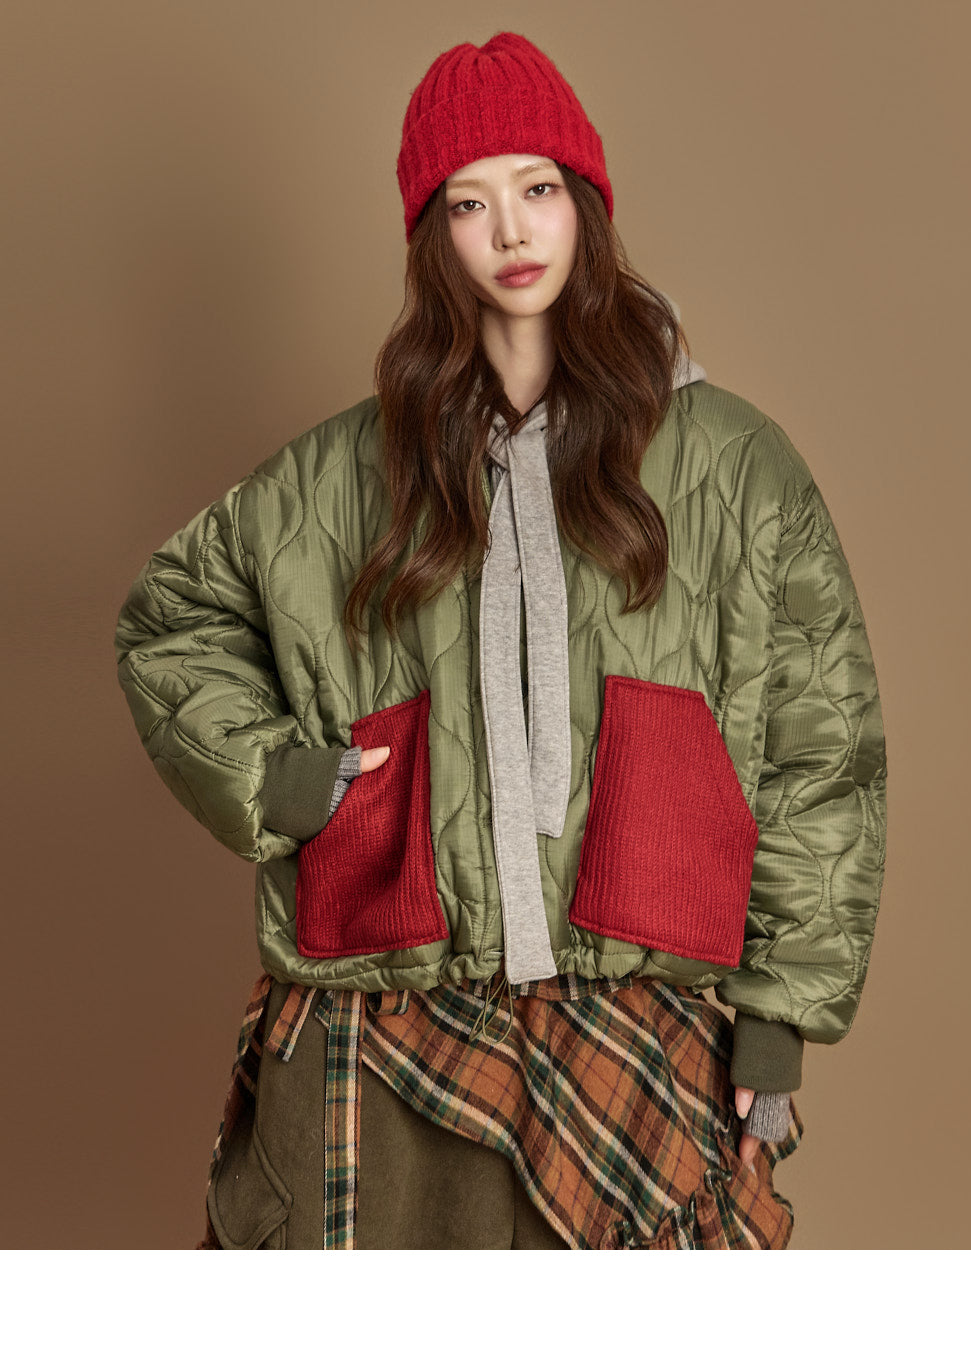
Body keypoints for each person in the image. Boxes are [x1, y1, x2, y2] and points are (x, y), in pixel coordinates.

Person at [114, 31, 887, 1250]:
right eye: (470, 204)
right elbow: (170, 618)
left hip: (641, 1018)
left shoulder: (735, 464)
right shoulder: (345, 471)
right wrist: (276, 780)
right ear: (435, 236)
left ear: (585, 205)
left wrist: (780, 1009)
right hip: (389, 1015)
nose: (512, 232)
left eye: (537, 189)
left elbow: (820, 750)